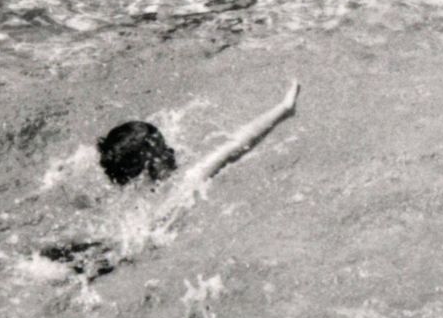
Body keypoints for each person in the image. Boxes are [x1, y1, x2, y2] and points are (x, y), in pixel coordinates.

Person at [50, 83, 302, 273]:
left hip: (102, 252)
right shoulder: (184, 185)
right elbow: (236, 145)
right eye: (162, 149)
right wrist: (283, 109)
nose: (171, 151)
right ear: (147, 164)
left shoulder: (124, 200)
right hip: (124, 259)